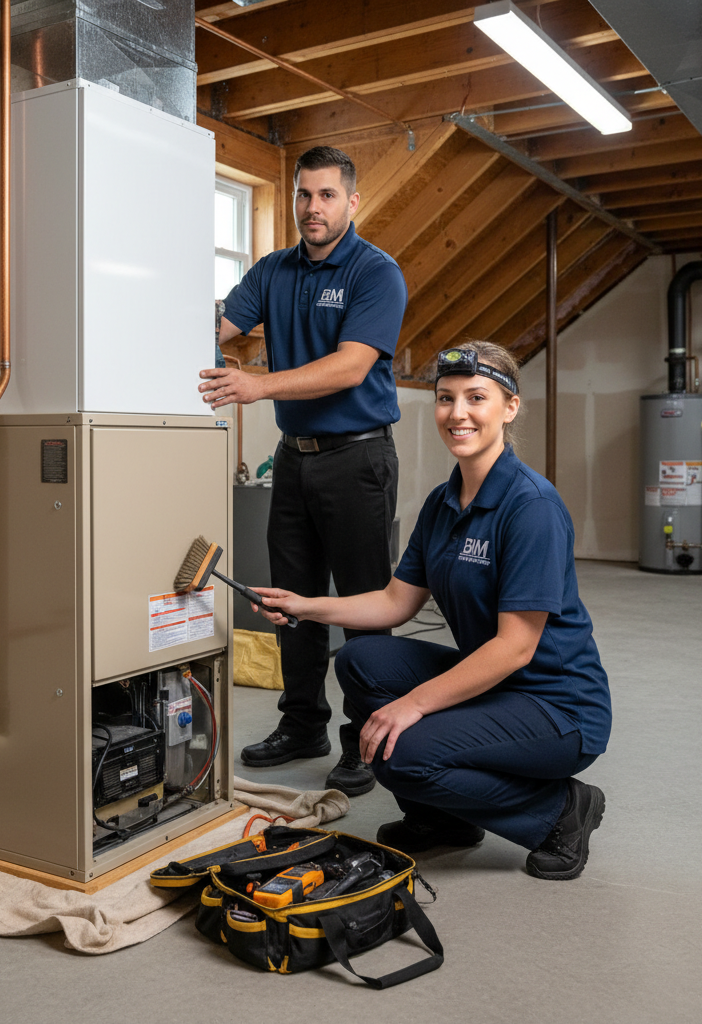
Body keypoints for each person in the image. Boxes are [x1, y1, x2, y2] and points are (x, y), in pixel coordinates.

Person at [249, 341, 611, 880]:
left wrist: (411, 706)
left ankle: (558, 812)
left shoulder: (530, 507)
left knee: (399, 751)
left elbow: (515, 647)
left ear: (509, 408)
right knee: (360, 660)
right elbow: (396, 601)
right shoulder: (445, 502)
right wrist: (307, 605)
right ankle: (444, 818)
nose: (457, 413)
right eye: (445, 399)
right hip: (494, 685)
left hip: (556, 705)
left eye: (476, 398)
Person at [198, 146, 408, 796]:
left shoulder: (377, 273)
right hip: (296, 459)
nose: (312, 208)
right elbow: (220, 325)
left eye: (325, 196)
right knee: (289, 601)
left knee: (362, 604)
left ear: (352, 201)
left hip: (358, 458)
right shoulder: (273, 271)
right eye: (303, 195)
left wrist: (257, 387)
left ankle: (365, 740)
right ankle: (302, 725)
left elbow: (350, 366)